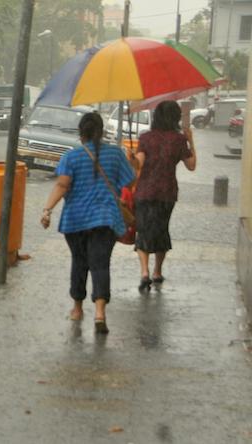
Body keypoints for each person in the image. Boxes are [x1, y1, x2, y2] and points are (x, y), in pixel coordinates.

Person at [41, 112, 135, 334]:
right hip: (106, 218)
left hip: (76, 220)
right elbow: (129, 182)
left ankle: (77, 308)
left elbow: (62, 186)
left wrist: (47, 210)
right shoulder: (115, 154)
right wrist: (131, 163)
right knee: (100, 264)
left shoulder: (71, 157)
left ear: (80, 133)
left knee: (79, 261)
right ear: (101, 132)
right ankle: (100, 313)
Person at [131, 101, 196, 293]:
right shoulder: (178, 140)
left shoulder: (146, 138)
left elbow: (138, 165)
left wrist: (132, 158)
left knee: (143, 230)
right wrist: (190, 140)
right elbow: (191, 165)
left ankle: (144, 272)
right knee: (161, 230)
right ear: (175, 117)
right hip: (167, 193)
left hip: (144, 192)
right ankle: (157, 272)